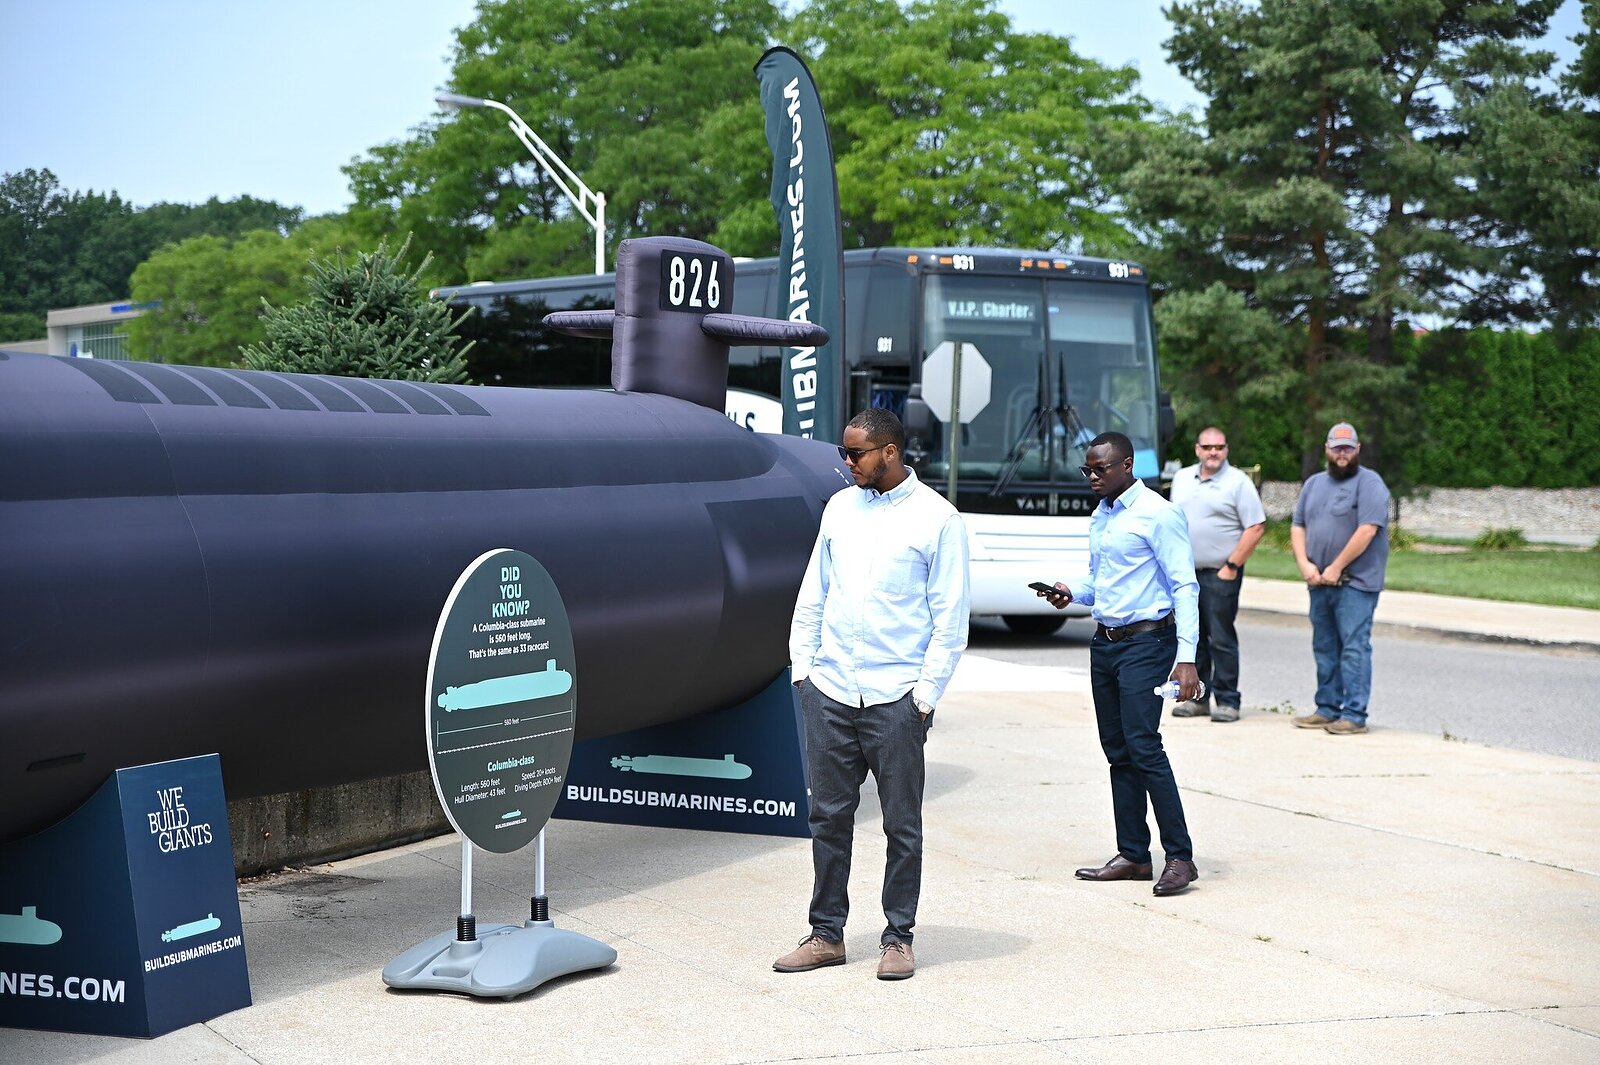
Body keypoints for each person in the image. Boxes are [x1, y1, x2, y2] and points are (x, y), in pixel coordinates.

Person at [777, 408, 970, 981]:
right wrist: (804, 671)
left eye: (855, 453)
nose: (847, 462)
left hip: (896, 697)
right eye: (844, 452)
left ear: (890, 451)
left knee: (900, 827)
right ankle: (826, 934)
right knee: (828, 818)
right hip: (831, 690)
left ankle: (898, 938)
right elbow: (814, 592)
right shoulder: (839, 508)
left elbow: (950, 619)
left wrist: (923, 698)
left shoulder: (938, 519)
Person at [1036, 432, 1202, 897]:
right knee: (1118, 751)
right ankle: (1133, 855)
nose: (1092, 476)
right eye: (1087, 469)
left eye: (1100, 468)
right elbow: (1103, 582)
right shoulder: (1102, 514)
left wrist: (1186, 658)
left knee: (1144, 747)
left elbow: (1185, 586)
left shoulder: (1159, 513)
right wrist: (1071, 592)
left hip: (1147, 643)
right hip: (1105, 643)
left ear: (1127, 465)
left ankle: (1180, 857)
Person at [1289, 422, 1390, 736]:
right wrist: (1304, 563)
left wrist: (1336, 567)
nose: (1342, 453)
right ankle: (1327, 708)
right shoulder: (1314, 484)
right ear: (1327, 450)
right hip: (1319, 582)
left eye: (1348, 448)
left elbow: (1368, 530)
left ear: (1357, 449)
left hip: (1355, 584)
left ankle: (1354, 714)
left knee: (1353, 648)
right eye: (1337, 448)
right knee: (1324, 647)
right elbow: (1298, 525)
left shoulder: (1369, 483)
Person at [1168, 427, 1266, 722]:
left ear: (1226, 450)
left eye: (1219, 447)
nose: (1213, 452)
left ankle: (1227, 700)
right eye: (1208, 447)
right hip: (1185, 575)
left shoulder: (1238, 482)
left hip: (1221, 573)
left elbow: (1256, 526)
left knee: (1221, 638)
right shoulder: (1181, 478)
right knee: (1191, 637)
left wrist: (1232, 566)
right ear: (1197, 449)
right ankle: (1197, 699)